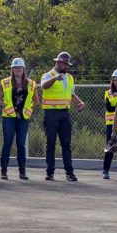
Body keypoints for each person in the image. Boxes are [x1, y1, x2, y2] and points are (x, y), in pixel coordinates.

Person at [37, 51, 77, 181]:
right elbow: (44, 86)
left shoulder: (69, 77)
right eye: (65, 64)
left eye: (68, 65)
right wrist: (55, 79)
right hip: (51, 113)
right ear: (58, 63)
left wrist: (79, 102)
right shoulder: (48, 75)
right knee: (51, 143)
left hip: (65, 113)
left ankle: (69, 172)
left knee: (66, 144)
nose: (67, 67)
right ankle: (50, 172)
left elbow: (71, 94)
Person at [0, 56, 36, 180]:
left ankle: (22, 172)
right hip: (9, 117)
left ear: (23, 69)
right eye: (15, 68)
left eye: (20, 67)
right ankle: (3, 171)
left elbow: (36, 101)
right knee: (7, 143)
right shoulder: (5, 82)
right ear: (12, 69)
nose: (18, 70)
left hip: (23, 118)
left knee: (21, 144)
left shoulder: (31, 83)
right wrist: (6, 107)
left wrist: (29, 109)